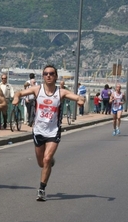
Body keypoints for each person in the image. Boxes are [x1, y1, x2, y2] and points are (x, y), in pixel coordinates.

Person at [12, 65, 85, 202]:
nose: (48, 76)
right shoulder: (37, 89)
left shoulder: (61, 92)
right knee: (41, 162)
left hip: (53, 131)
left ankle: (41, 189)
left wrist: (81, 101)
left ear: (56, 76)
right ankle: (49, 162)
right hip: (38, 130)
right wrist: (16, 98)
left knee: (46, 159)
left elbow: (79, 98)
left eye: (51, 73)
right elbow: (19, 93)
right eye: (46, 73)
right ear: (43, 75)